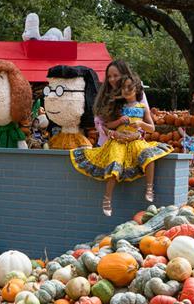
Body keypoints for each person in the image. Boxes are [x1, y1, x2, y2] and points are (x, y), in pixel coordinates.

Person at [71, 73, 174, 214]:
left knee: (149, 155)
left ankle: (149, 188)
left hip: (135, 140)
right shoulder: (118, 107)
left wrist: (140, 123)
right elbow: (108, 124)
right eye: (123, 87)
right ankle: (107, 199)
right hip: (118, 141)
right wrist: (119, 122)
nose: (126, 89)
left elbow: (152, 128)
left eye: (130, 87)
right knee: (114, 164)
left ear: (137, 89)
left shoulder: (143, 108)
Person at [93, 61, 149, 146]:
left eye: (116, 76)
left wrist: (137, 134)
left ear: (125, 75)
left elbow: (144, 121)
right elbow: (99, 122)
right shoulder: (104, 95)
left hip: (131, 145)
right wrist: (114, 133)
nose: (111, 79)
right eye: (109, 76)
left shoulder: (137, 94)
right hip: (105, 144)